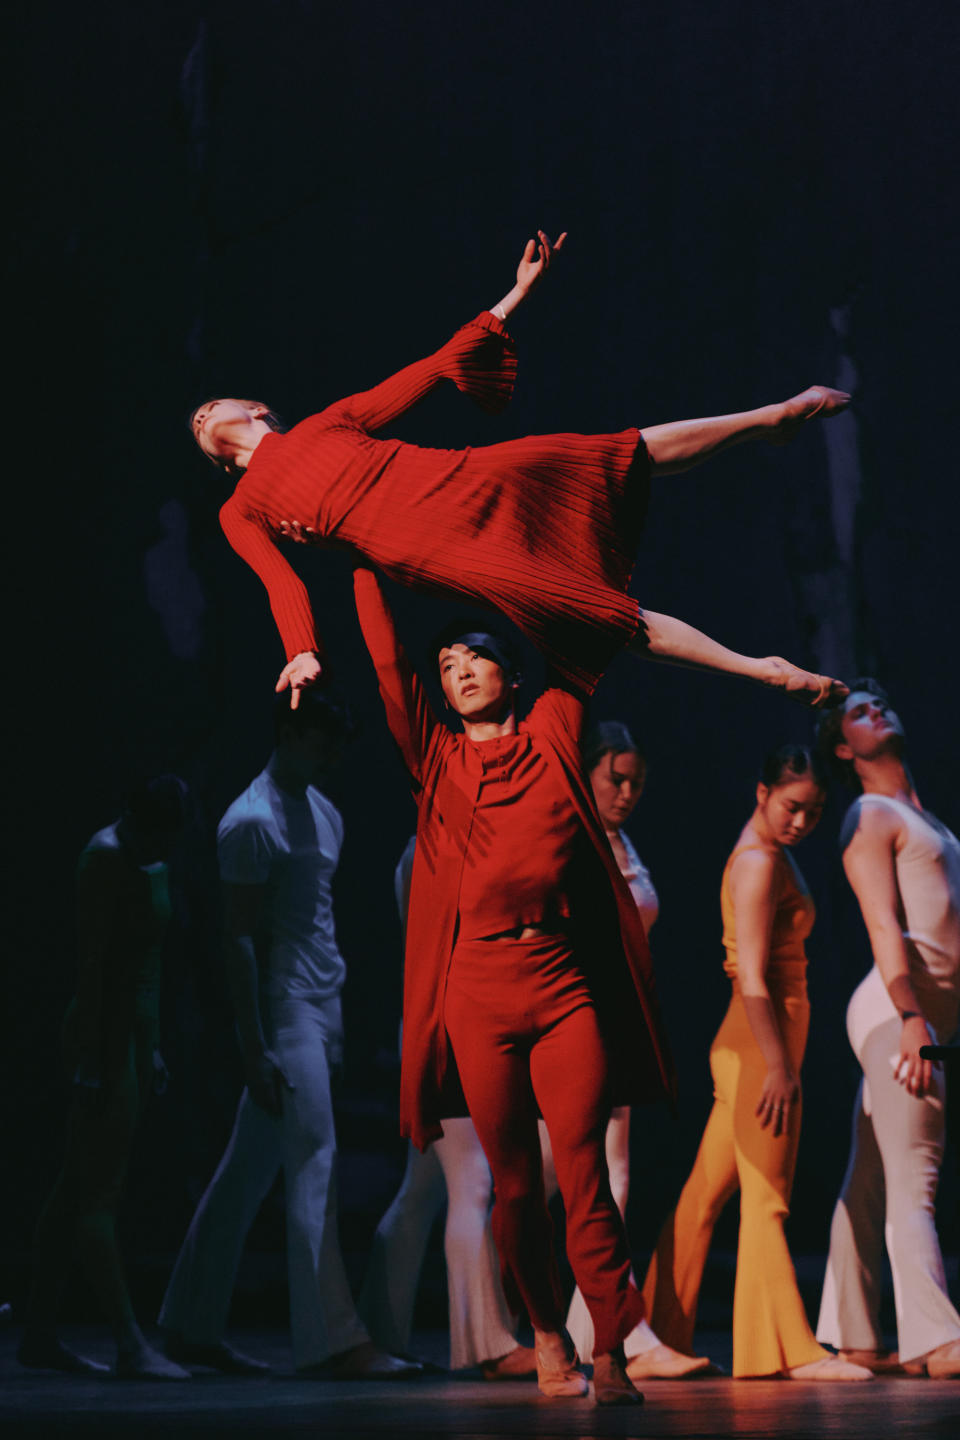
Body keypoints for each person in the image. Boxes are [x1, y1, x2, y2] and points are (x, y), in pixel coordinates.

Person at [191, 230, 849, 710]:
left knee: (601, 453)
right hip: (431, 550)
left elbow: (427, 371)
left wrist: (517, 294)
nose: (201, 418)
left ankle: (768, 418)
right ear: (218, 461)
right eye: (196, 429)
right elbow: (280, 582)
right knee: (594, 613)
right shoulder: (239, 509)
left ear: (255, 409)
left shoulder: (325, 423)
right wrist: (301, 650)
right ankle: (763, 671)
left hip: (460, 479)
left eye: (210, 406)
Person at [352, 563, 677, 1406]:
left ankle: (610, 1348)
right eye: (448, 661)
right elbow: (389, 660)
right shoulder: (436, 757)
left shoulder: (555, 733)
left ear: (511, 673)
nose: (457, 668)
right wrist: (362, 546)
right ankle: (544, 1332)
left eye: (475, 656)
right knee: (515, 1186)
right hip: (476, 991)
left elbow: (575, 638)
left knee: (584, 1174)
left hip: (563, 984)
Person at [158, 693, 419, 1380]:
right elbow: (236, 940)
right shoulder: (251, 820)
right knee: (317, 1161)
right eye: (319, 740)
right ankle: (334, 1340)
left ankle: (188, 1322)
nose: (331, 756)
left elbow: (315, 918)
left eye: (337, 744)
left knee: (246, 1172)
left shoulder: (324, 811)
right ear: (288, 732)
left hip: (322, 1005)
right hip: (285, 1011)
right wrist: (255, 1046)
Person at [640, 747, 872, 1380]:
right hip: (756, 1046)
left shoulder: (770, 855)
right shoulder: (758, 865)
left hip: (754, 1046)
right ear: (762, 791)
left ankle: (653, 1335)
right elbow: (751, 976)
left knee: (702, 1196)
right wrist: (778, 1065)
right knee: (767, 1197)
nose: (801, 822)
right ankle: (787, 1351)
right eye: (792, 807)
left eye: (815, 813)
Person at [19, 776, 192, 1379]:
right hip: (102, 1036)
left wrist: (155, 1043)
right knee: (94, 1192)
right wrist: (93, 1057)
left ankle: (38, 1334)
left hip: (133, 1038)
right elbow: (93, 968)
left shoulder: (154, 860)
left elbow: (150, 962)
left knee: (75, 1188)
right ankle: (129, 1343)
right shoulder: (105, 859)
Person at [554, 723, 712, 1379]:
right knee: (559, 1181)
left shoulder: (621, 839)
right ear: (586, 773)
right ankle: (593, 1329)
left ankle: (603, 1327)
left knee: (610, 1177)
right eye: (614, 779)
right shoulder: (569, 838)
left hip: (621, 1019)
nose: (626, 792)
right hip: (575, 1017)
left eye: (636, 782)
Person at [814, 681, 960, 1379]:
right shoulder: (868, 815)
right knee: (917, 1170)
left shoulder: (923, 817)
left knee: (871, 1174)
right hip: (894, 1011)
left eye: (881, 703)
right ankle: (935, 1337)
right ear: (845, 748)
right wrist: (910, 1016)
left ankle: (854, 1332)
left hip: (920, 1010)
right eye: (859, 714)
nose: (879, 711)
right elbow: (882, 922)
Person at [358, 837, 535, 1379]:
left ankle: (379, 1331)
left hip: (449, 1020)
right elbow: (440, 950)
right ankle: (489, 1346)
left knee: (423, 1189)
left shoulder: (445, 845)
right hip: (446, 1024)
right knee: (472, 1182)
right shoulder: (433, 850)